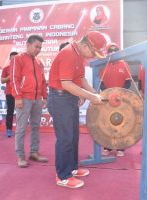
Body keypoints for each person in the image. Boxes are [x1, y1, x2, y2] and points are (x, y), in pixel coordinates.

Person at [47, 31, 107, 188]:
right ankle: (63, 176)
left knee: (73, 136)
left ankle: (72, 168)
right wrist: (90, 96)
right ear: (85, 44)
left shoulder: (79, 55)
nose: (92, 56)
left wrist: (95, 94)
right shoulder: (68, 53)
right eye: (93, 52)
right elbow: (66, 84)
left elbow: (81, 79)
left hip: (69, 98)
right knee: (65, 138)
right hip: (60, 99)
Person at [10, 35, 48, 168]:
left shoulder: (39, 62)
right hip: (24, 98)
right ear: (28, 44)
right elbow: (14, 79)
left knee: (36, 126)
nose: (38, 50)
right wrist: (18, 97)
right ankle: (20, 156)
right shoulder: (17, 59)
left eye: (40, 47)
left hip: (37, 99)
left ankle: (34, 152)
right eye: (36, 46)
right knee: (21, 128)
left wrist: (45, 96)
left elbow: (43, 81)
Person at [99, 43, 132, 157]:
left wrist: (119, 94)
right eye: (110, 51)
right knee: (108, 123)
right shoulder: (103, 65)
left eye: (115, 50)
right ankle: (108, 147)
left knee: (121, 123)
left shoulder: (124, 64)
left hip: (121, 99)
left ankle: (121, 147)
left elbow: (128, 82)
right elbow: (101, 83)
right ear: (107, 53)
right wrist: (108, 94)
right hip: (107, 99)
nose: (113, 52)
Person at [1, 51, 18, 138]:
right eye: (12, 59)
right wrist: (10, 76)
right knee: (10, 111)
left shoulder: (22, 68)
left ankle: (19, 130)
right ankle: (9, 129)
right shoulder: (6, 68)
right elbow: (2, 80)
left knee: (21, 112)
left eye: (16, 58)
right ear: (9, 59)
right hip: (10, 93)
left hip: (20, 93)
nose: (14, 60)